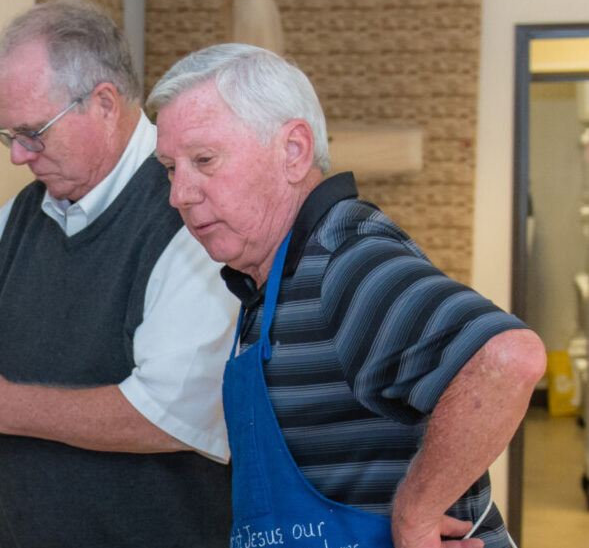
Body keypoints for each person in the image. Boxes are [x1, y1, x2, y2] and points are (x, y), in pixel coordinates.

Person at [147, 43, 547, 548]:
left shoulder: (345, 260)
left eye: (204, 160)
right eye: (170, 167)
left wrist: (416, 516)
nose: (179, 193)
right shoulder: (269, 284)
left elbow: (507, 357)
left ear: (293, 151)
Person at [0, 0, 239, 548]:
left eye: (33, 131)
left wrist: (8, 406)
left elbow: (166, 416)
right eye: (9, 134)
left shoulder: (190, 213)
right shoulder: (20, 215)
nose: (18, 155)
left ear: (104, 103)